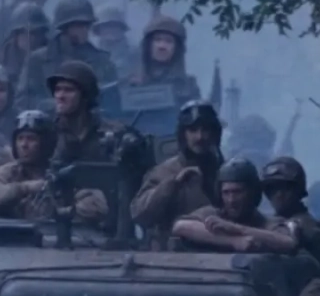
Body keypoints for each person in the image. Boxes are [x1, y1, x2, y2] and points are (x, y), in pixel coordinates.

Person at [0, 110, 110, 223]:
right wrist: (24, 188)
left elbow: (98, 206)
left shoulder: (63, 172)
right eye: (20, 138)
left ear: (46, 143)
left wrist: (59, 209)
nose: (24, 145)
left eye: (31, 139)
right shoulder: (9, 172)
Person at [130, 102, 222, 250]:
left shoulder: (224, 171)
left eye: (205, 130)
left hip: (220, 253)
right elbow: (140, 214)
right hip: (172, 256)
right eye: (193, 130)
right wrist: (173, 184)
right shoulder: (164, 171)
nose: (200, 137)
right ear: (183, 134)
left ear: (214, 134)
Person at [171, 159, 297, 254]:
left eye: (238, 192)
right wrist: (233, 241)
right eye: (226, 193)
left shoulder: (266, 222)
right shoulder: (213, 214)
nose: (231, 200)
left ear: (252, 193)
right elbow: (181, 226)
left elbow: (288, 242)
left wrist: (236, 229)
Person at [16, 0, 119, 108]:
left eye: (86, 25)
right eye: (78, 25)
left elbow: (113, 104)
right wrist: (56, 104)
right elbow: (23, 99)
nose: (84, 30)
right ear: (64, 27)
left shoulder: (103, 62)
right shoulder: (38, 60)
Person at [260, 156, 320, 267]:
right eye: (272, 188)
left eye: (286, 188)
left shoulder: (308, 228)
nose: (279, 194)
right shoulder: (267, 223)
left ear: (298, 190)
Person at [127, 13, 203, 104]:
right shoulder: (130, 84)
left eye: (168, 41)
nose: (162, 46)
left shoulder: (188, 87)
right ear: (148, 45)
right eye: (157, 40)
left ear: (177, 48)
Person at [0, 2, 49, 111]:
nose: (31, 38)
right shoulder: (1, 58)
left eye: (36, 33)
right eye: (26, 33)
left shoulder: (51, 57)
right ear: (16, 35)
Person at [92, 4, 139, 79]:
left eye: (114, 25)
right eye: (106, 26)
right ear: (98, 30)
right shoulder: (92, 51)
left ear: (121, 28)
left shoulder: (134, 52)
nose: (110, 29)